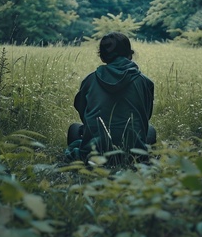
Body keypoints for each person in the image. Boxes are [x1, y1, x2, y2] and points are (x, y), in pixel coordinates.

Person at [65, 32, 156, 163]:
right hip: (133, 153)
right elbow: (145, 115)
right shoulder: (145, 82)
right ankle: (135, 156)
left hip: (96, 152)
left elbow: (83, 112)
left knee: (75, 128)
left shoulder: (90, 80)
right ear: (130, 54)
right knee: (150, 130)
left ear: (102, 57)